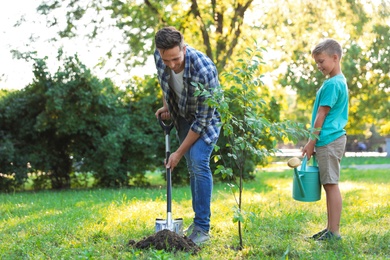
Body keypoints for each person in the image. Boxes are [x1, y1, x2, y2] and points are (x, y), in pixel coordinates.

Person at [153, 26, 221, 244]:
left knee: (198, 162)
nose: (172, 65)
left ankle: (202, 227)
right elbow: (165, 84)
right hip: (182, 115)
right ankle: (198, 222)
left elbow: (202, 121)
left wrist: (178, 153)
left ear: (184, 47)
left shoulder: (204, 69)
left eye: (175, 59)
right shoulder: (159, 56)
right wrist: (167, 107)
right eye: (167, 60)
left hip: (205, 118)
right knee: (192, 168)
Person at [302, 38, 349, 241]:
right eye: (317, 63)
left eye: (321, 61)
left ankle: (334, 232)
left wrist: (311, 142)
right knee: (328, 184)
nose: (319, 66)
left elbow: (321, 115)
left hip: (328, 139)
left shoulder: (332, 84)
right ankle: (330, 228)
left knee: (331, 185)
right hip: (329, 139)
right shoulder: (338, 81)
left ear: (335, 57)